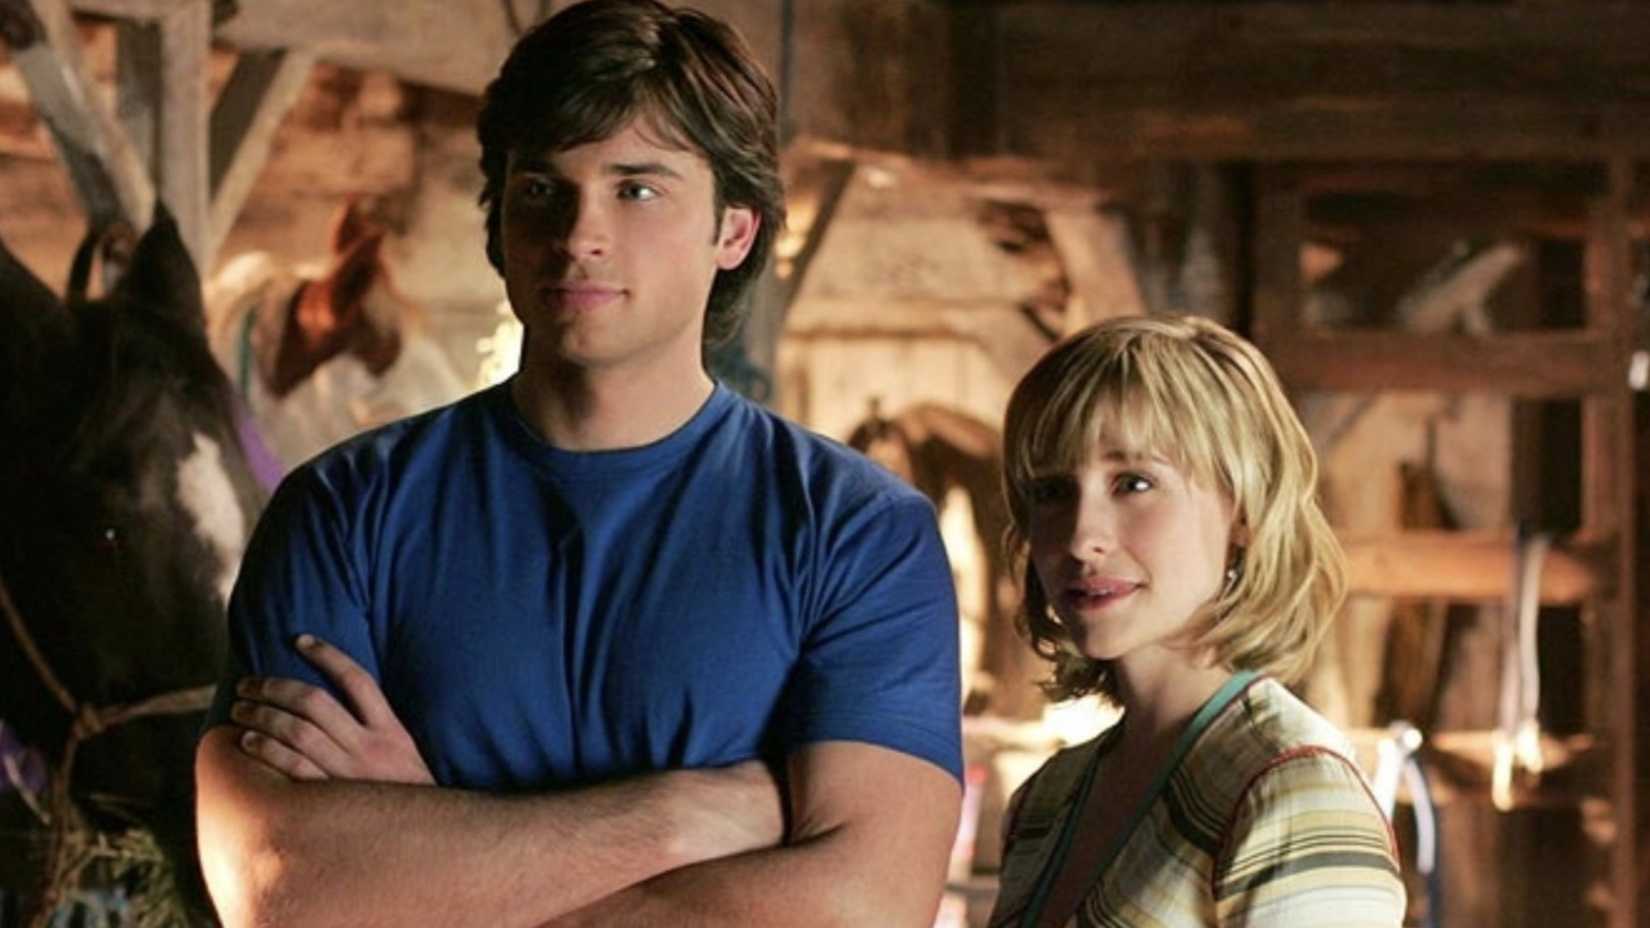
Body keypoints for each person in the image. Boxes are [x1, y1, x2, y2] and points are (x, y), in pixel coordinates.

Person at [193, 2, 963, 925]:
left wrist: (436, 858)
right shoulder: (342, 511)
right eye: (541, 189)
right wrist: (677, 818)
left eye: (636, 189)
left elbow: (868, 908)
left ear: (735, 231)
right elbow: (281, 892)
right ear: (498, 222)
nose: (578, 234)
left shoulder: (858, 532)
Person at [986, 315, 1405, 927]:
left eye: (1133, 483)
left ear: (1244, 510)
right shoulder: (1047, 801)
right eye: (1052, 491)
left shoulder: (1296, 793)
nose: (1080, 538)